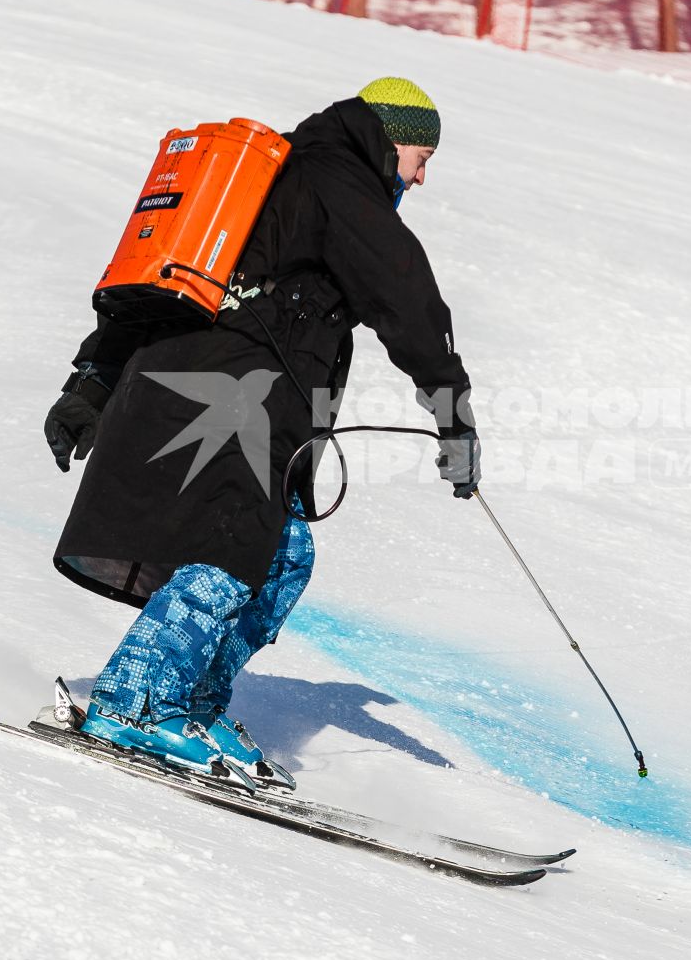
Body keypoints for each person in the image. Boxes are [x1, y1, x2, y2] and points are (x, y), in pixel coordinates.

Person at [43, 79, 480, 783]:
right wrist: (452, 414)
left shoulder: (279, 180)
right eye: (420, 157)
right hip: (225, 396)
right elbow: (409, 301)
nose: (421, 177)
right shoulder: (336, 182)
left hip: (216, 394)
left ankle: (190, 702)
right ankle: (136, 703)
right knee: (230, 543)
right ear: (385, 137)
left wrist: (92, 383)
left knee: (283, 553)